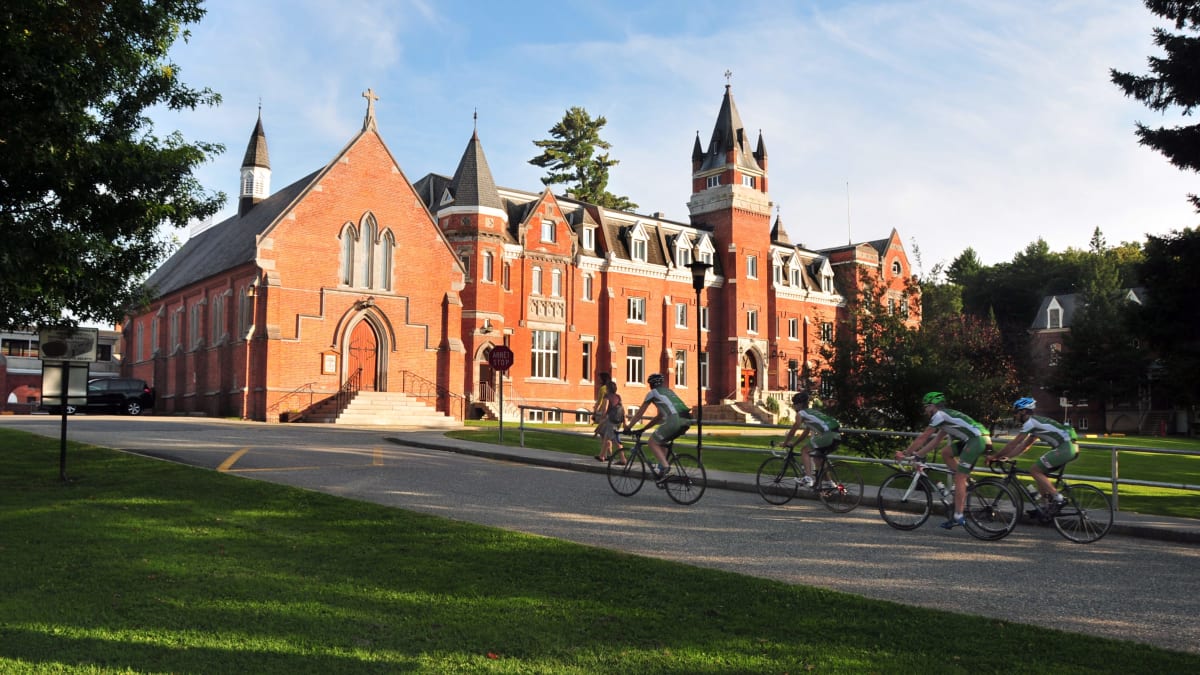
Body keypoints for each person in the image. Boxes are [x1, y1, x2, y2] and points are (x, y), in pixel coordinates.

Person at [895, 392, 992, 529]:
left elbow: (923, 437)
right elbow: (936, 441)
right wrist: (918, 455)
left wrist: (905, 453)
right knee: (946, 452)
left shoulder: (939, 416)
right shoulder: (945, 417)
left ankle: (958, 515)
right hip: (977, 438)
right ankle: (964, 482)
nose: (925, 410)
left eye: (926, 407)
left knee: (959, 477)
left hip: (976, 440)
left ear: (932, 406)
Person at [989, 396, 1077, 516]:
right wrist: (1007, 457)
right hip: (1069, 448)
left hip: (1065, 448)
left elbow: (1014, 443)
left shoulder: (1030, 423)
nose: (1015, 416)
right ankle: (1045, 507)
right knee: (1040, 472)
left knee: (1035, 470)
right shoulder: (1036, 423)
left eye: (1016, 412)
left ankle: (1059, 498)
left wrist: (995, 456)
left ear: (1023, 411)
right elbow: (1023, 446)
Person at [623, 373, 692, 483]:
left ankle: (665, 467)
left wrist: (628, 427)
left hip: (674, 420)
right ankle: (661, 472)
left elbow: (639, 414)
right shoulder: (669, 392)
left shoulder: (652, 393)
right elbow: (659, 417)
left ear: (650, 384)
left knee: (652, 442)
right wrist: (643, 429)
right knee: (662, 441)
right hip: (687, 419)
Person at [781, 391, 842, 488]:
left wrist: (785, 443)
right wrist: (794, 444)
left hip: (828, 435)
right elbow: (805, 433)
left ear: (799, 404)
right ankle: (830, 483)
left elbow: (794, 428)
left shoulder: (801, 413)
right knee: (817, 458)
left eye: (795, 404)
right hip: (836, 436)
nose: (794, 406)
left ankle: (808, 478)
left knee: (804, 450)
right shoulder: (812, 412)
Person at [596, 381, 627, 463]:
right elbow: (623, 409)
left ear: (608, 388)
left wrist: (602, 419)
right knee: (607, 437)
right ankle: (602, 456)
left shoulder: (607, 396)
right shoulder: (618, 397)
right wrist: (624, 422)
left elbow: (605, 409)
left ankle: (623, 459)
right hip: (618, 421)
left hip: (611, 420)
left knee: (615, 440)